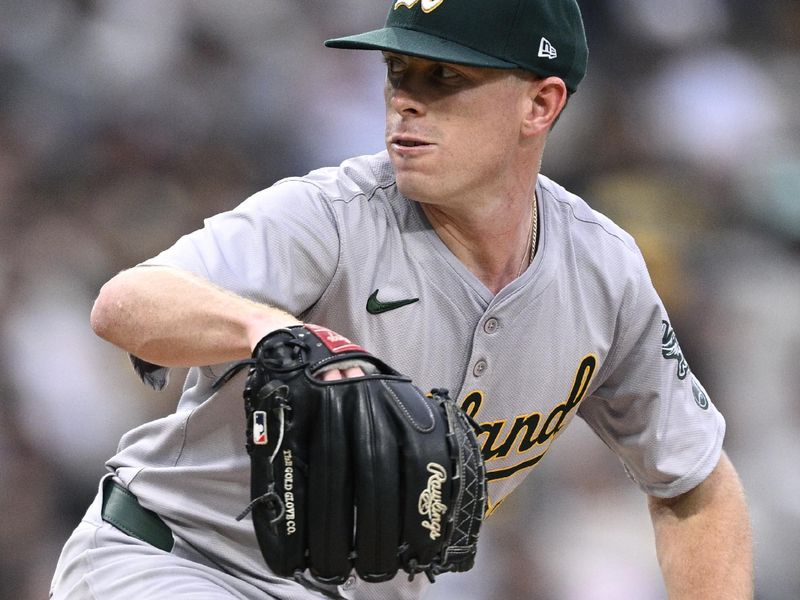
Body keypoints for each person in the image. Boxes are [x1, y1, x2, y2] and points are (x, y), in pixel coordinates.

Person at [50, 0, 753, 598]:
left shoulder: (603, 273)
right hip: (172, 561)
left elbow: (695, 485)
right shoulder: (332, 214)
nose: (405, 100)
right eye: (397, 73)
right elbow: (127, 302)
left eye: (444, 76)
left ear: (540, 103)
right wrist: (275, 331)